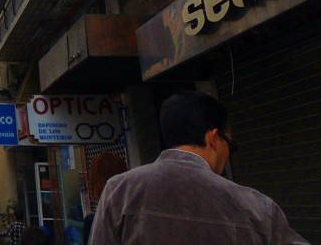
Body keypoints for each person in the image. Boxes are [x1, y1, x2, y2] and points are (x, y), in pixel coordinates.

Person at [90, 90, 307, 245]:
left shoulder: (119, 191)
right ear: (213, 138)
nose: (228, 154)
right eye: (230, 145)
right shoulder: (256, 207)